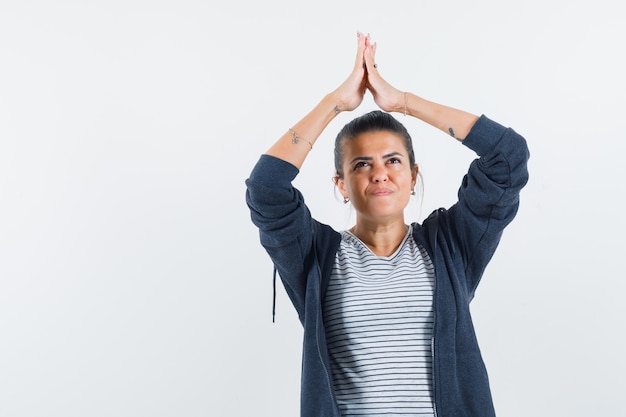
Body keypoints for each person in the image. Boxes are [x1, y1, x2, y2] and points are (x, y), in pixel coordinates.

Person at [245, 32, 529, 417]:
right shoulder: (315, 255)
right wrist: (334, 104)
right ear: (341, 184)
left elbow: (506, 157)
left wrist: (403, 103)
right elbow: (266, 188)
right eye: (362, 164)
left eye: (392, 161)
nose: (379, 174)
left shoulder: (451, 245)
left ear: (413, 177)